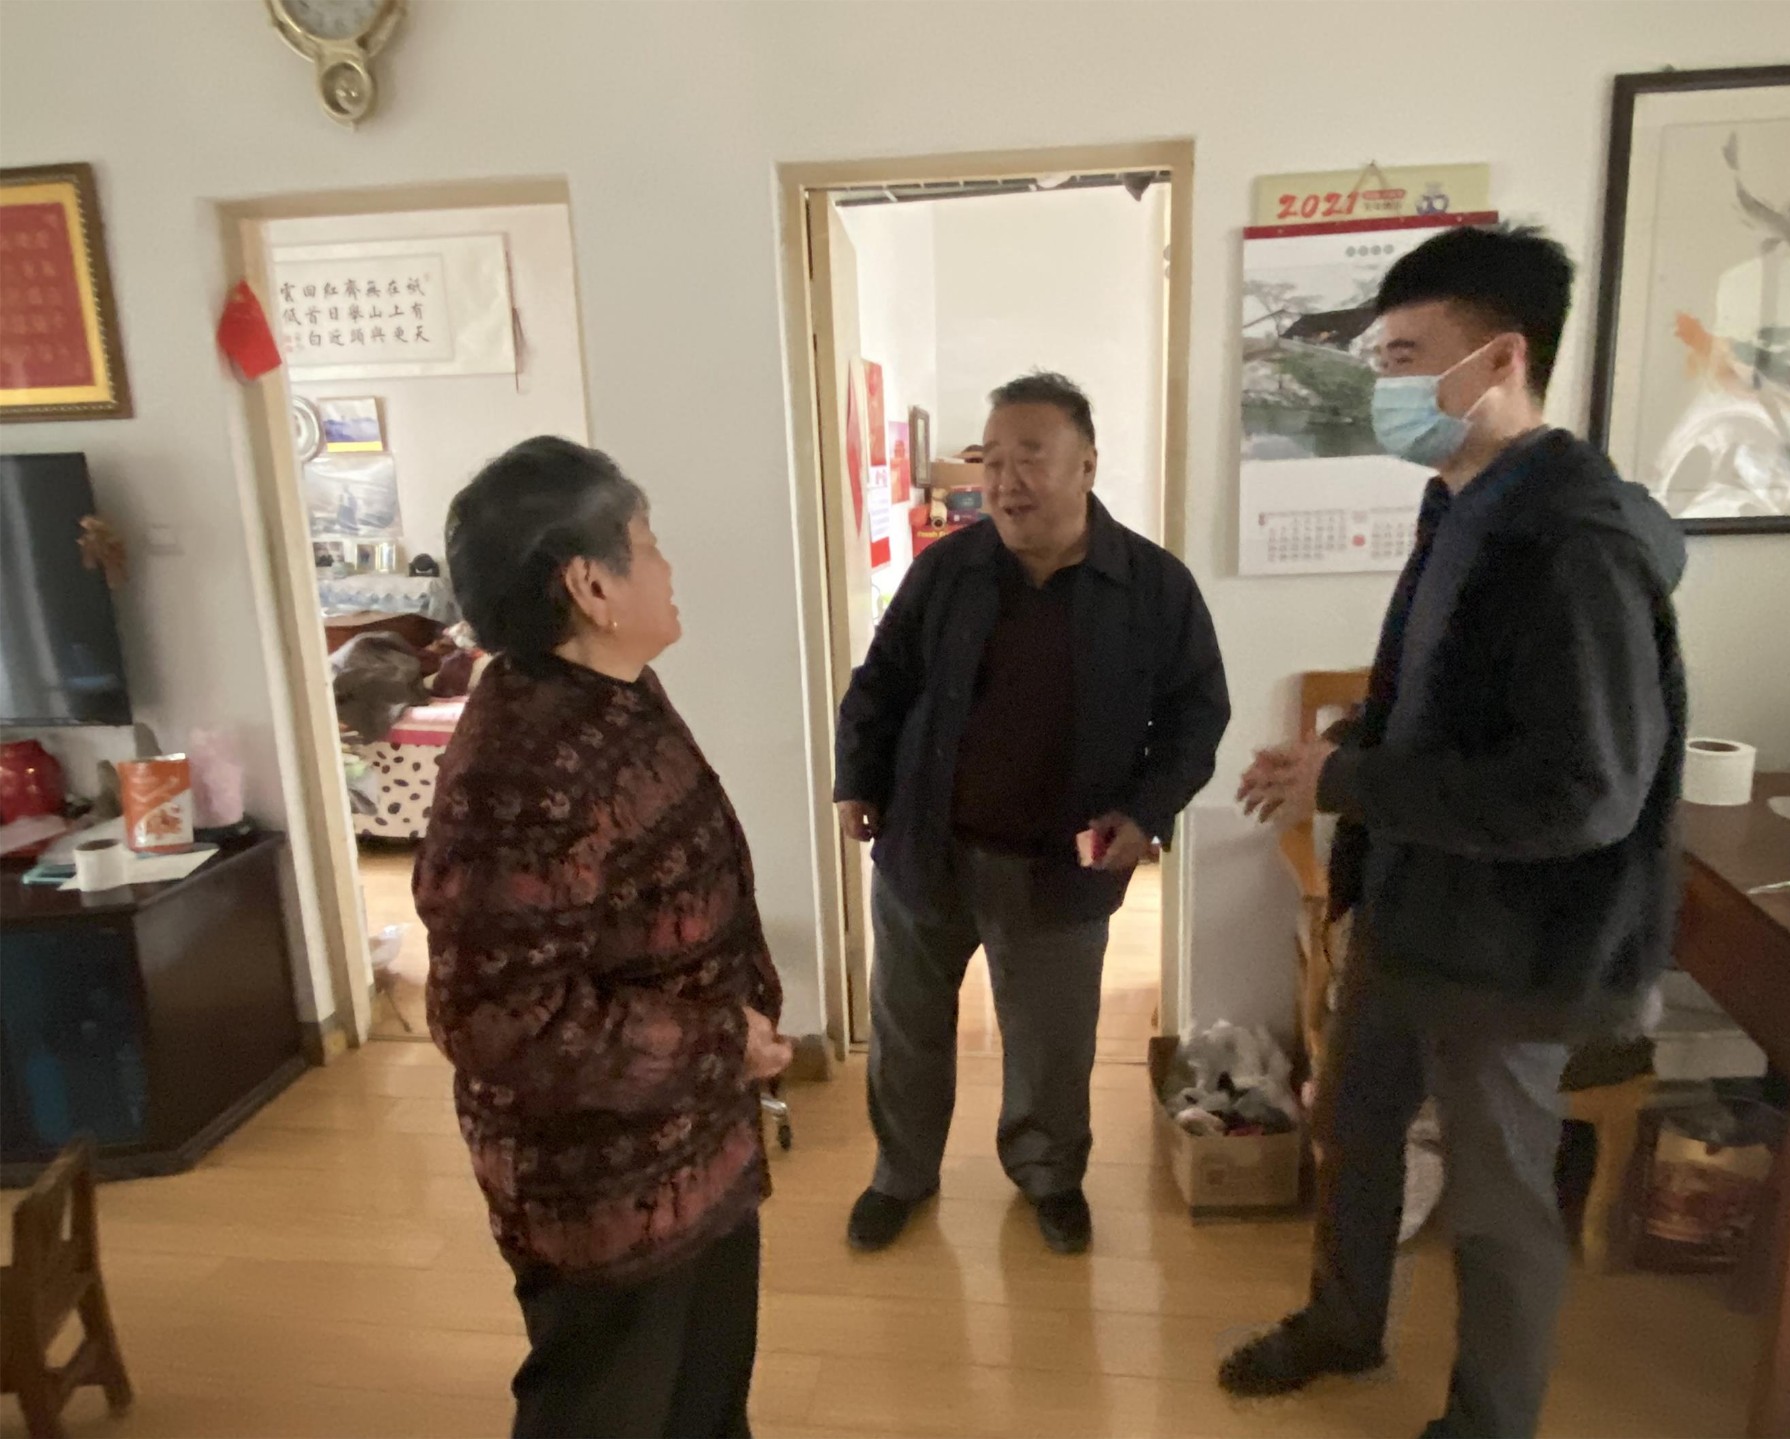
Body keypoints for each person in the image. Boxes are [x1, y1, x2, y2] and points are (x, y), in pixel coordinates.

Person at [1222, 226, 1688, 1438]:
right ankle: (1344, 1323)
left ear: (1501, 360)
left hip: (1512, 946)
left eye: (1405, 357)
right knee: (1355, 1128)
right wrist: (1337, 767)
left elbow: (1583, 792)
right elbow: (1436, 707)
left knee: (1495, 1199)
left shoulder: (1575, 544)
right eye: (1378, 357)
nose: (1383, 387)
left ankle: (1489, 1419)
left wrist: (1353, 780)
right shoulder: (1462, 503)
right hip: (1414, 907)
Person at [416, 436, 792, 1439]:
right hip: (606, 1194)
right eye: (647, 540)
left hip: (693, 1144)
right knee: (611, 1410)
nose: (666, 563)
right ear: (590, 584)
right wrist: (724, 1040)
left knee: (706, 1404)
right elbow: (500, 1020)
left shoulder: (609, 689)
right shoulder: (518, 769)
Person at [835, 372, 1229, 1256]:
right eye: (992, 461)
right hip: (927, 846)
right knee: (907, 1028)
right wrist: (856, 778)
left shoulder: (1153, 586)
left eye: (1030, 458)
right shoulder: (948, 568)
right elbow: (881, 682)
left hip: (1060, 864)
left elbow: (1197, 715)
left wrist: (1147, 811)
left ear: (1086, 464)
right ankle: (901, 1172)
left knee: (1051, 1044)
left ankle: (1049, 1176)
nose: (1005, 481)